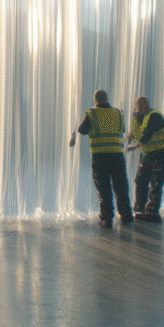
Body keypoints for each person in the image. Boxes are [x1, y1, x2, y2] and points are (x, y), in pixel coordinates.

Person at [70, 90, 133, 228]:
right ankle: (126, 215)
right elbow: (122, 130)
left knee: (104, 189)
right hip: (117, 155)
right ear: (107, 98)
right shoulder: (118, 112)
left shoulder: (91, 113)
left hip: (101, 157)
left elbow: (82, 130)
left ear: (96, 100)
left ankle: (107, 218)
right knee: (121, 187)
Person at [126, 96, 164, 223]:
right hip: (148, 154)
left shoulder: (154, 116)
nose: (138, 108)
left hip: (161, 155)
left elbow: (146, 135)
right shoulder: (138, 118)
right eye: (137, 106)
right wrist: (130, 136)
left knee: (156, 184)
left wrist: (134, 146)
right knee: (140, 181)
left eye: (140, 105)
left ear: (146, 105)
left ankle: (152, 213)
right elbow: (136, 132)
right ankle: (139, 210)